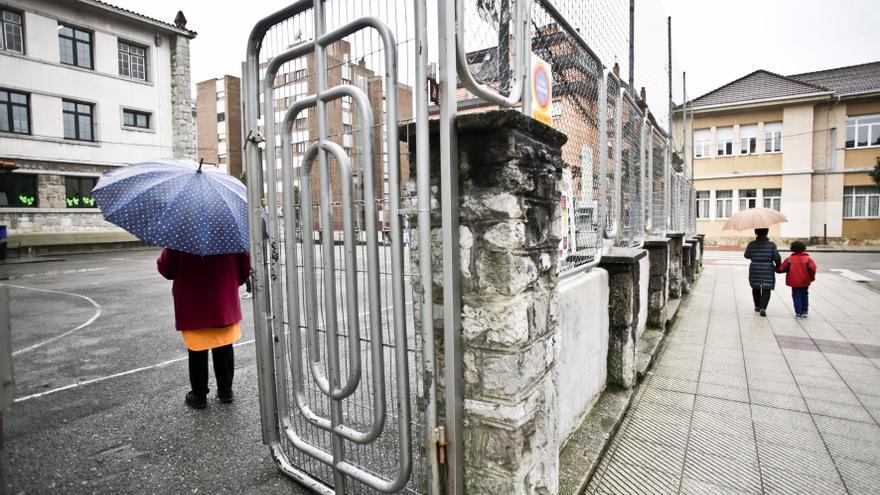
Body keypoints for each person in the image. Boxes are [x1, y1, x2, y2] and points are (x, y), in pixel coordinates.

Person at [157, 248, 250, 409]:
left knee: (196, 350)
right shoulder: (230, 233)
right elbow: (244, 268)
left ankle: (199, 395)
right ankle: (225, 391)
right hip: (223, 297)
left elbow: (166, 269)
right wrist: (230, 283)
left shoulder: (181, 234)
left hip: (192, 299)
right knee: (224, 345)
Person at [743, 228, 781, 317]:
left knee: (755, 286)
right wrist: (778, 266)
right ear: (767, 233)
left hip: (755, 268)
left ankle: (757, 305)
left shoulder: (751, 244)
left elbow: (746, 255)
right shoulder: (771, 245)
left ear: (756, 233)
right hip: (768, 268)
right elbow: (777, 257)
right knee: (766, 288)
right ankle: (763, 308)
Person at [776, 240, 817, 318]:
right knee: (805, 295)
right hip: (805, 281)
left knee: (796, 295)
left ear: (792, 249)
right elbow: (813, 269)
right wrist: (812, 278)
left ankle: (798, 312)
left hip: (794, 281)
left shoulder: (789, 259)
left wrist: (774, 268)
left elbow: (781, 269)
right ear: (804, 248)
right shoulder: (808, 259)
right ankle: (805, 311)